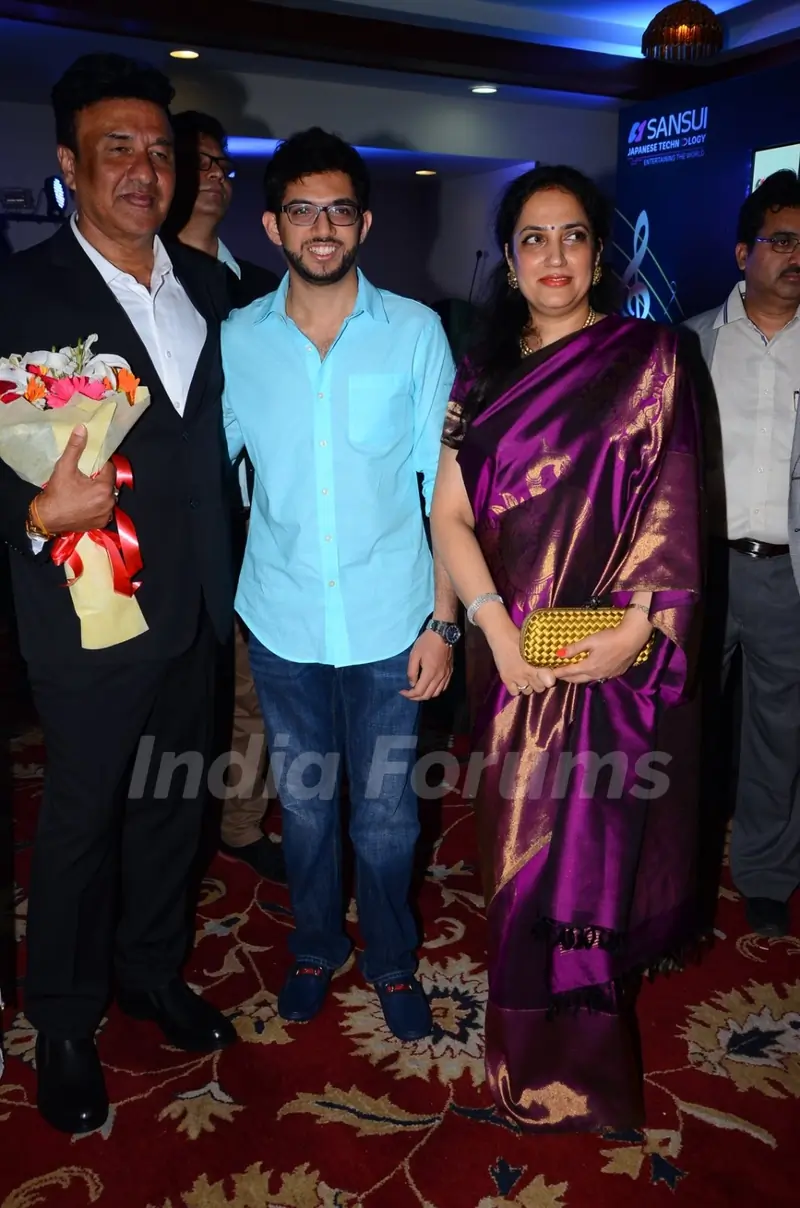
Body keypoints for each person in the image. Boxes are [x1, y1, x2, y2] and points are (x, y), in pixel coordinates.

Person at [430, 165, 703, 1130]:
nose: (555, 255)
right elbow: (449, 516)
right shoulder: (479, 377)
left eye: (573, 235)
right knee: (518, 860)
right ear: (509, 261)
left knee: (595, 861)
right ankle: (525, 1058)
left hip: (617, 658)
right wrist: (494, 631)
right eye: (534, 239)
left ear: (598, 252)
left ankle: (587, 1067)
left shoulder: (654, 359)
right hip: (513, 659)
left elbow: (674, 499)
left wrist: (637, 630)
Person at [0, 54, 237, 1135]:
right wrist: (37, 512)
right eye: (117, 149)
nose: (145, 170)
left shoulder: (214, 289)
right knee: (81, 822)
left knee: (174, 807)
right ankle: (60, 1018)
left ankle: (148, 971)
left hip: (198, 608)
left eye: (160, 151)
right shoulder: (19, 293)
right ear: (69, 162)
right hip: (87, 612)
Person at [221, 128, 459, 1040]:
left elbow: (446, 492)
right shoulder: (238, 341)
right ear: (271, 226)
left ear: (364, 222)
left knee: (388, 818)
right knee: (308, 810)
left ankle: (392, 956)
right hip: (281, 619)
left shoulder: (415, 333)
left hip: (392, 622)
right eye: (301, 211)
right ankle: (317, 944)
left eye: (338, 211)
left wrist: (444, 624)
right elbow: (206, 470)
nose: (321, 228)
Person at [165, 109, 285, 884]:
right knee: (176, 691)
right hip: (168, 528)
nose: (212, 175)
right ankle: (170, 827)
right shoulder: (144, 282)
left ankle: (239, 822)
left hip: (254, 522)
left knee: (253, 688)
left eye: (221, 164)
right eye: (196, 161)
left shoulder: (265, 292)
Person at [685, 170, 800, 939]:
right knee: (683, 721)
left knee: (779, 734)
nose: (796, 257)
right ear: (742, 252)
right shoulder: (691, 342)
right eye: (782, 241)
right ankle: (674, 864)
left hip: (788, 576)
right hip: (703, 569)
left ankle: (765, 874)